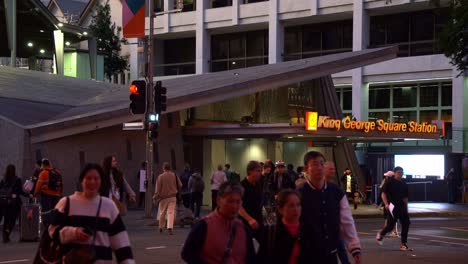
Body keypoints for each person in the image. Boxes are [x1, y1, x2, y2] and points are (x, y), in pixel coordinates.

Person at [47, 163, 134, 263]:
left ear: (101, 181)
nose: (92, 182)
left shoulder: (109, 206)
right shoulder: (66, 203)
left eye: (96, 178)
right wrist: (73, 233)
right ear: (81, 180)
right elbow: (52, 231)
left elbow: (121, 243)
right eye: (88, 178)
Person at [297, 151, 361, 264]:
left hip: (330, 253)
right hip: (306, 253)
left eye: (322, 164)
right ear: (306, 169)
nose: (320, 167)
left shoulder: (336, 192)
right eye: (315, 164)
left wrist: (354, 247)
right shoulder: (299, 194)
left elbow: (347, 221)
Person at [181, 181, 256, 264]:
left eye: (238, 202)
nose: (234, 206)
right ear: (218, 200)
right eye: (230, 201)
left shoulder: (243, 229)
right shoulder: (203, 226)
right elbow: (187, 254)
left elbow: (251, 259)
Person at [258, 189, 305, 263]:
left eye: (298, 205)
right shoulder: (272, 232)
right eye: (291, 206)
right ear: (280, 209)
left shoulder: (308, 229)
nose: (296, 209)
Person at [376, 166, 412, 251]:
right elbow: (383, 194)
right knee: (390, 225)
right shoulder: (389, 182)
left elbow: (405, 198)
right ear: (395, 173)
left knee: (406, 223)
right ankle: (381, 234)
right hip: (392, 206)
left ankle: (403, 243)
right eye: (399, 172)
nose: (400, 174)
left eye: (402, 172)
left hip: (402, 206)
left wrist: (406, 208)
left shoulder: (404, 184)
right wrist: (386, 204)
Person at [324, 161, 350, 264]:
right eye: (330, 169)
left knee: (340, 248)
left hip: (334, 226)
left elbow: (346, 214)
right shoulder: (311, 188)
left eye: (334, 169)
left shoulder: (335, 188)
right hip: (321, 229)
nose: (333, 171)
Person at [0, 165, 32, 243]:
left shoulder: (3, 180)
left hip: (4, 203)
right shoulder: (17, 179)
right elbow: (20, 192)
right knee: (13, 220)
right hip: (14, 203)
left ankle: (5, 236)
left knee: (6, 220)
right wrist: (28, 195)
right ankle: (7, 233)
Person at [154, 162, 182, 235]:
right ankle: (170, 227)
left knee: (162, 213)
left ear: (163, 168)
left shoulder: (160, 176)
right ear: (170, 168)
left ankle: (160, 227)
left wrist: (155, 197)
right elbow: (180, 185)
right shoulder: (174, 175)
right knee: (171, 212)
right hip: (173, 197)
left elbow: (158, 189)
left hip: (163, 198)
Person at [239, 160, 264, 240]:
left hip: (258, 220)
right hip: (246, 222)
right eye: (258, 171)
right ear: (250, 171)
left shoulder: (258, 184)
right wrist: (250, 219)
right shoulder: (242, 186)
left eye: (261, 171)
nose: (261, 173)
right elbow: (239, 207)